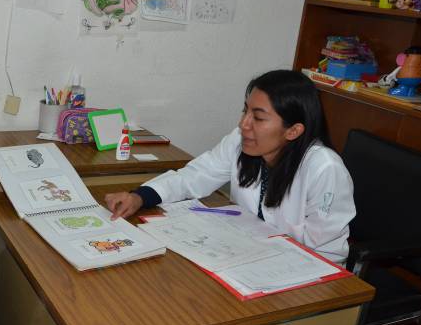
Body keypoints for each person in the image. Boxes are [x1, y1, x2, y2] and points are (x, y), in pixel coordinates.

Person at [105, 70, 356, 264]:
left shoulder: (324, 168)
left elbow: (321, 248)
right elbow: (195, 175)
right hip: (246, 255)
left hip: (304, 273)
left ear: (293, 130)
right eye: (245, 111)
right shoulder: (241, 140)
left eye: (258, 117)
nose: (244, 124)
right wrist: (140, 197)